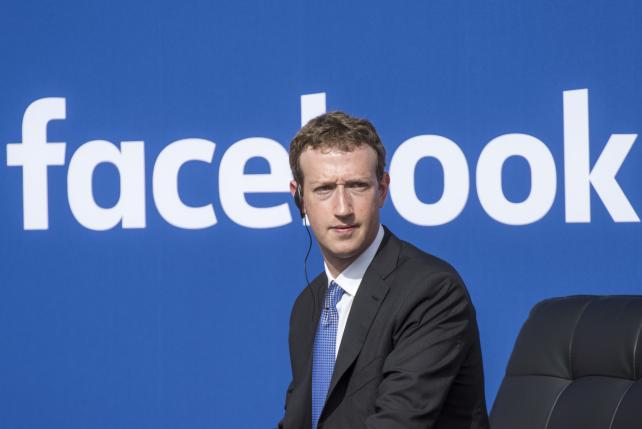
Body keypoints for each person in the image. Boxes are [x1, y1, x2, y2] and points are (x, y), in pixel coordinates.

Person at [278, 112, 489, 429]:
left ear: (383, 189)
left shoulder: (431, 292)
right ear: (299, 198)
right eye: (323, 189)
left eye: (358, 186)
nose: (343, 208)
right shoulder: (308, 305)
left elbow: (398, 422)